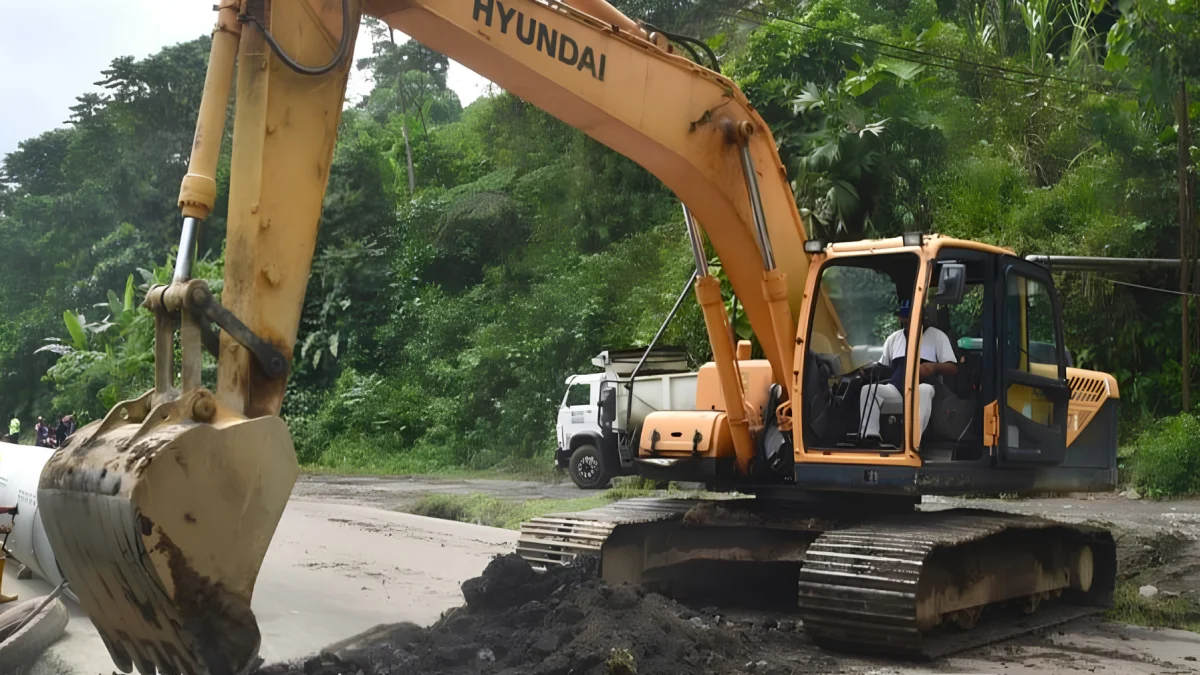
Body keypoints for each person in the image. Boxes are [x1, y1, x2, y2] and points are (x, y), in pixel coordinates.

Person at [858, 300, 957, 444]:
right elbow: (883, 368)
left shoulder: (937, 336)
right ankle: (870, 436)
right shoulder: (893, 339)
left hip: (923, 385)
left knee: (924, 390)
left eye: (910, 316)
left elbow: (953, 368)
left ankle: (913, 441)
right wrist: (867, 371)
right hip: (897, 387)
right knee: (868, 390)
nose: (907, 320)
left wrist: (933, 367)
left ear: (922, 315)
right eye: (904, 316)